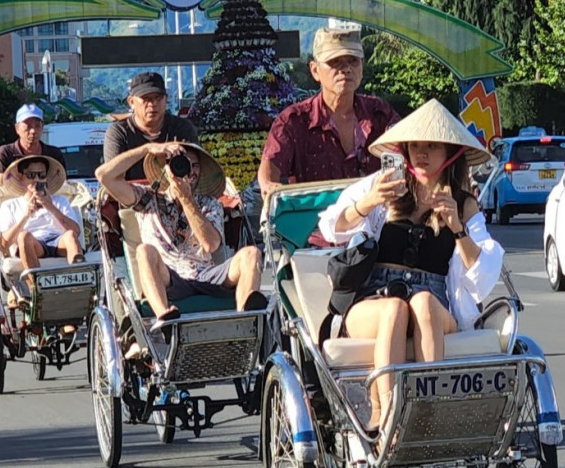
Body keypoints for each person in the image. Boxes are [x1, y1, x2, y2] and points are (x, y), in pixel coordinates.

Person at [318, 100, 505, 425]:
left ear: (450, 152)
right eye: (415, 145)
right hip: (375, 296)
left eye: (431, 145)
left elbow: (484, 274)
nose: (421, 152)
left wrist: (457, 230)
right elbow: (331, 226)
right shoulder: (384, 187)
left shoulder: (463, 204)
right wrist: (369, 202)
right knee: (395, 308)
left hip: (433, 300)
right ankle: (384, 412)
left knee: (421, 302)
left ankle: (430, 410)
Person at [96, 140, 262, 321]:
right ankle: (164, 316)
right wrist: (146, 148)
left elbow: (210, 244)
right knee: (144, 251)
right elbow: (104, 175)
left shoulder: (209, 203)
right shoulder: (148, 198)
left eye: (195, 165)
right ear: (167, 169)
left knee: (251, 254)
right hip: (169, 276)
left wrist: (186, 198)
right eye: (182, 163)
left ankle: (247, 318)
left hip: (206, 274)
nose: (189, 170)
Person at [258, 26, 400, 193]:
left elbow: (407, 156)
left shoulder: (380, 114)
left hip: (378, 215)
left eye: (353, 61)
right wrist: (269, 186)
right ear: (315, 70)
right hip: (315, 216)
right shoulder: (293, 121)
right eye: (335, 62)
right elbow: (269, 170)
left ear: (362, 66)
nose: (346, 69)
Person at [0, 154, 84, 271]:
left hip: (59, 241)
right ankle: (35, 284)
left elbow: (76, 231)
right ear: (21, 178)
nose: (36, 179)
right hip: (33, 244)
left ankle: (79, 275)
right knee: (24, 236)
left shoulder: (60, 200)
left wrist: (50, 207)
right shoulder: (10, 205)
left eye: (41, 175)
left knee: (70, 235)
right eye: (31, 175)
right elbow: (4, 244)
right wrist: (26, 215)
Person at [103, 71, 199, 181]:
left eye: (158, 97)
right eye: (146, 98)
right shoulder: (119, 132)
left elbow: (197, 171)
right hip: (130, 196)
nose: (152, 104)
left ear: (166, 99)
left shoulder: (182, 128)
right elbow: (110, 175)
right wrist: (147, 149)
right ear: (131, 102)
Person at [0, 103, 67, 180]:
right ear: (17, 128)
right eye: (28, 126)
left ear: (42, 128)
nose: (33, 131)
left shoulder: (54, 154)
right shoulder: (6, 153)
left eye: (37, 126)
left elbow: (61, 182)